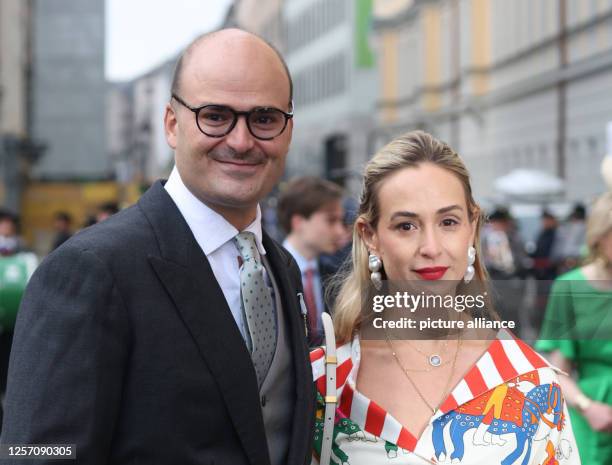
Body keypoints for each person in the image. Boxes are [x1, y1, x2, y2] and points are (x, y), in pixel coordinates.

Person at [1, 29, 315, 465]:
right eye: (215, 115)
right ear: (172, 124)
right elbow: (33, 452)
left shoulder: (280, 265)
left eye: (263, 118)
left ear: (288, 129)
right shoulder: (90, 269)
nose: (241, 141)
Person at [310, 131, 579, 464]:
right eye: (406, 226)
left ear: (472, 227)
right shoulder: (323, 383)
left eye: (448, 222)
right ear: (370, 236)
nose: (431, 248)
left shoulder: (529, 380)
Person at [537, 192, 612, 465]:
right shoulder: (569, 287)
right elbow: (557, 369)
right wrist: (587, 406)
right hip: (593, 415)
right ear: (599, 235)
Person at [277, 176, 345, 346]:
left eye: (340, 221)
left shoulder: (334, 274)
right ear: (299, 222)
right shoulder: (268, 272)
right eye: (331, 220)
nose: (339, 231)